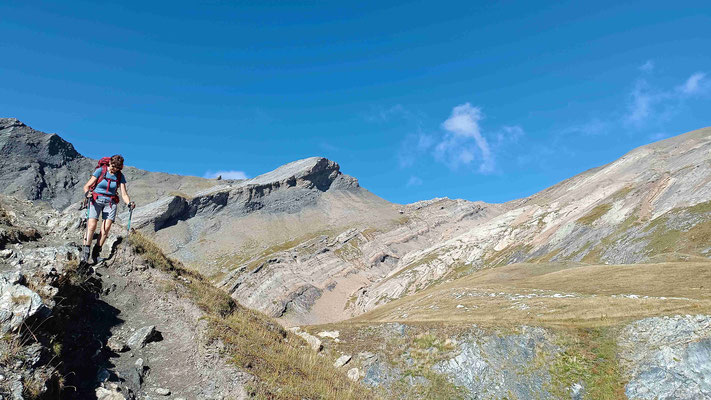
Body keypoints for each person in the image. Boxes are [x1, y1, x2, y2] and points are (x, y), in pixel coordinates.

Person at [80, 154, 135, 264]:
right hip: (95, 199)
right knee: (91, 225)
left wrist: (129, 203)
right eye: (113, 166)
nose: (114, 169)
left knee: (106, 228)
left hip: (110, 202)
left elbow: (124, 194)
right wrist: (87, 193)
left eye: (117, 168)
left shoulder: (120, 176)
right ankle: (85, 255)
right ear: (109, 163)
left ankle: (96, 254)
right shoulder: (100, 171)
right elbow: (86, 186)